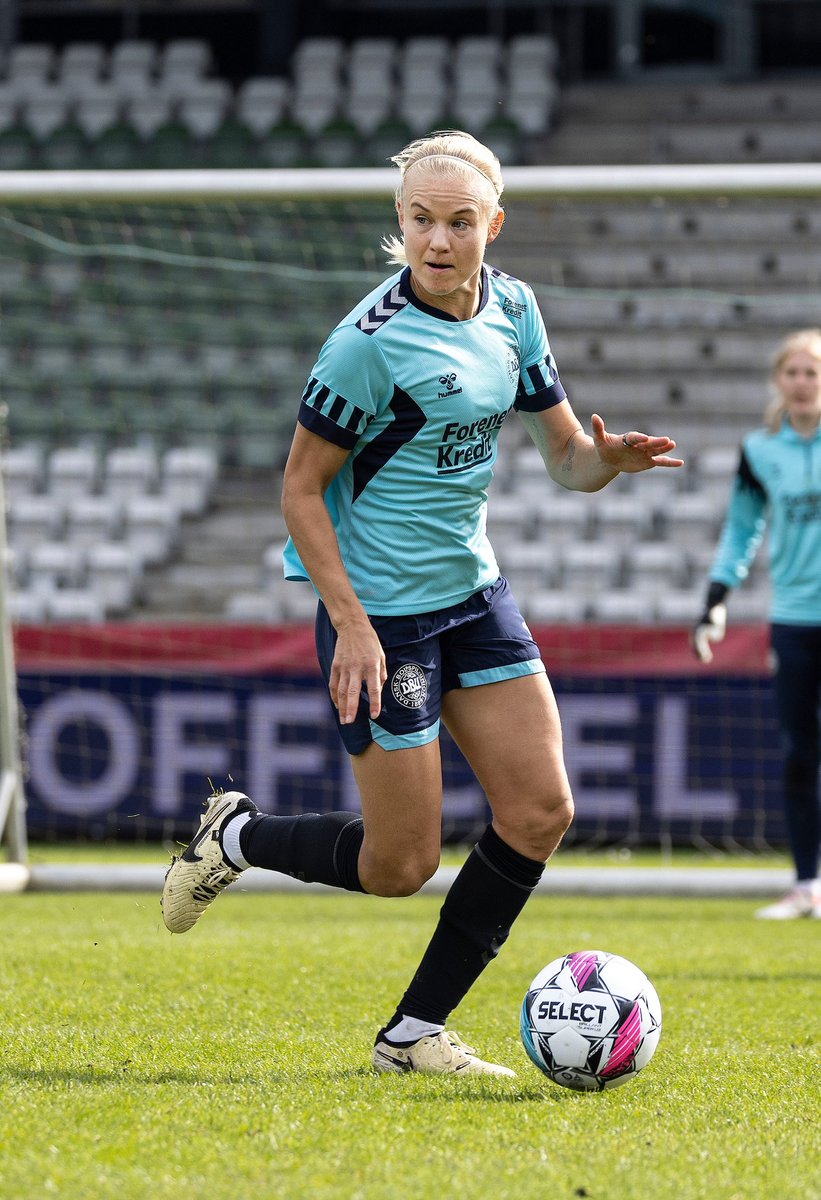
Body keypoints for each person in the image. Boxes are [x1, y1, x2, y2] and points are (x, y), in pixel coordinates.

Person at [162, 130, 683, 1076]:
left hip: (474, 596)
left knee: (540, 810)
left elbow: (563, 457)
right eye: (418, 220)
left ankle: (409, 1037)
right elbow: (299, 492)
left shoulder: (516, 309)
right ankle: (234, 834)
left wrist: (602, 463)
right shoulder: (365, 347)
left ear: (492, 224)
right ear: (399, 222)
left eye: (457, 221)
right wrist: (352, 626)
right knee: (399, 867)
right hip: (383, 618)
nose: (436, 241)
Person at [692, 328, 821, 920]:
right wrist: (716, 598)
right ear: (779, 380)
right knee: (800, 753)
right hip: (794, 618)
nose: (802, 382)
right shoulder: (759, 450)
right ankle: (806, 886)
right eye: (793, 372)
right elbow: (742, 530)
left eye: (812, 372)